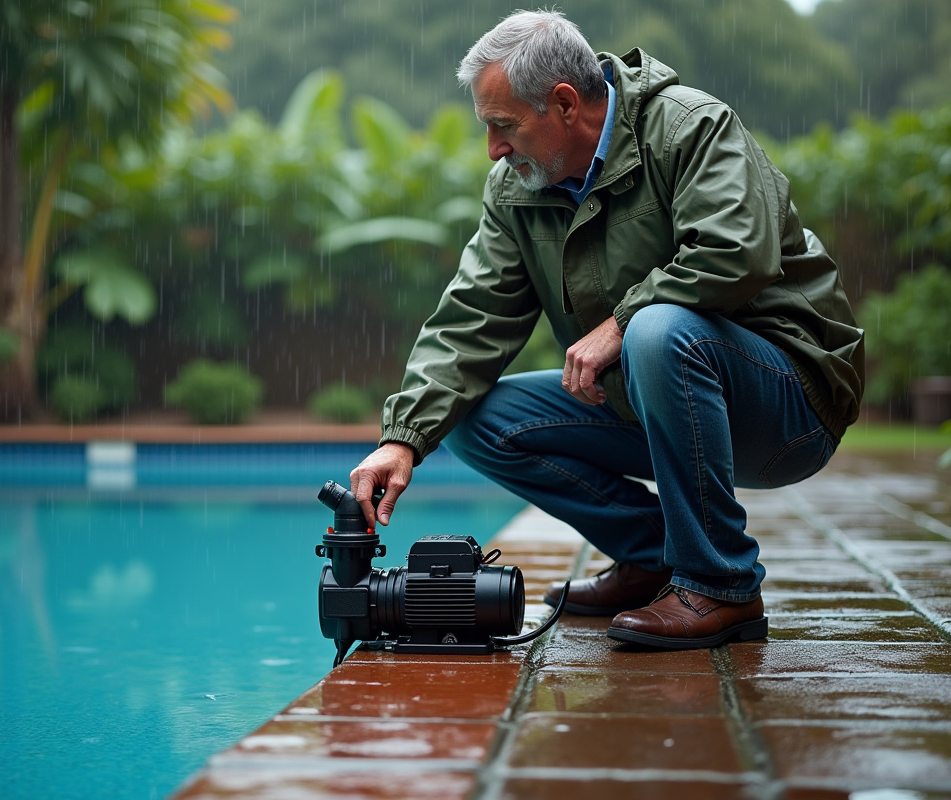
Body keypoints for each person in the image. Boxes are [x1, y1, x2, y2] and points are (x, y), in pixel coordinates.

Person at [349, 10, 864, 650]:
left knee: (657, 330)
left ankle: (721, 584)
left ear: (565, 104)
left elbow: (736, 250)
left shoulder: (690, 127)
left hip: (789, 401)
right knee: (477, 420)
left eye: (503, 125)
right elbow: (472, 318)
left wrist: (620, 323)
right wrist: (402, 438)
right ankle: (653, 558)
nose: (493, 148)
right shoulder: (515, 191)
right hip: (655, 397)